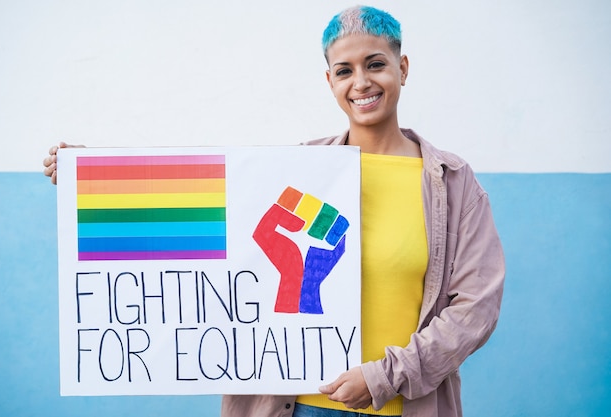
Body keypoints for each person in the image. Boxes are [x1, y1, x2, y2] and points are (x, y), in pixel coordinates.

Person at [43, 5, 505, 417]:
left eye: (376, 64)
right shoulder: (301, 171)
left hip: (400, 406)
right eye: (344, 71)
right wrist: (96, 175)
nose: (361, 82)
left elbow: (474, 309)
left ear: (402, 69)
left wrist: (385, 376)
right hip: (293, 407)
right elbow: (210, 205)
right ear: (330, 82)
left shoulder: (451, 183)